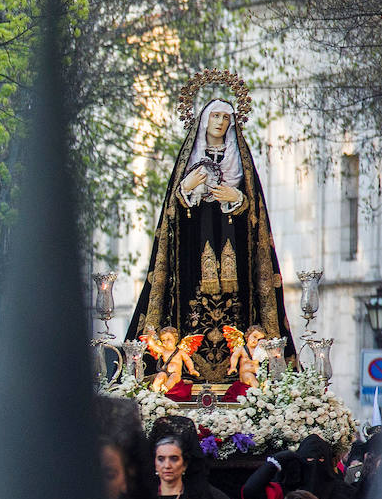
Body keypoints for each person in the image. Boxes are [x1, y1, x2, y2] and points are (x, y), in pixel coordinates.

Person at [127, 97, 297, 381]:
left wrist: (238, 198)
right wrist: (186, 189)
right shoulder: (189, 159)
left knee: (239, 306)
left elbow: (256, 211)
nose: (220, 122)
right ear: (205, 119)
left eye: (226, 118)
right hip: (193, 249)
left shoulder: (239, 161)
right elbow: (172, 213)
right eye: (216, 116)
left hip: (234, 245)